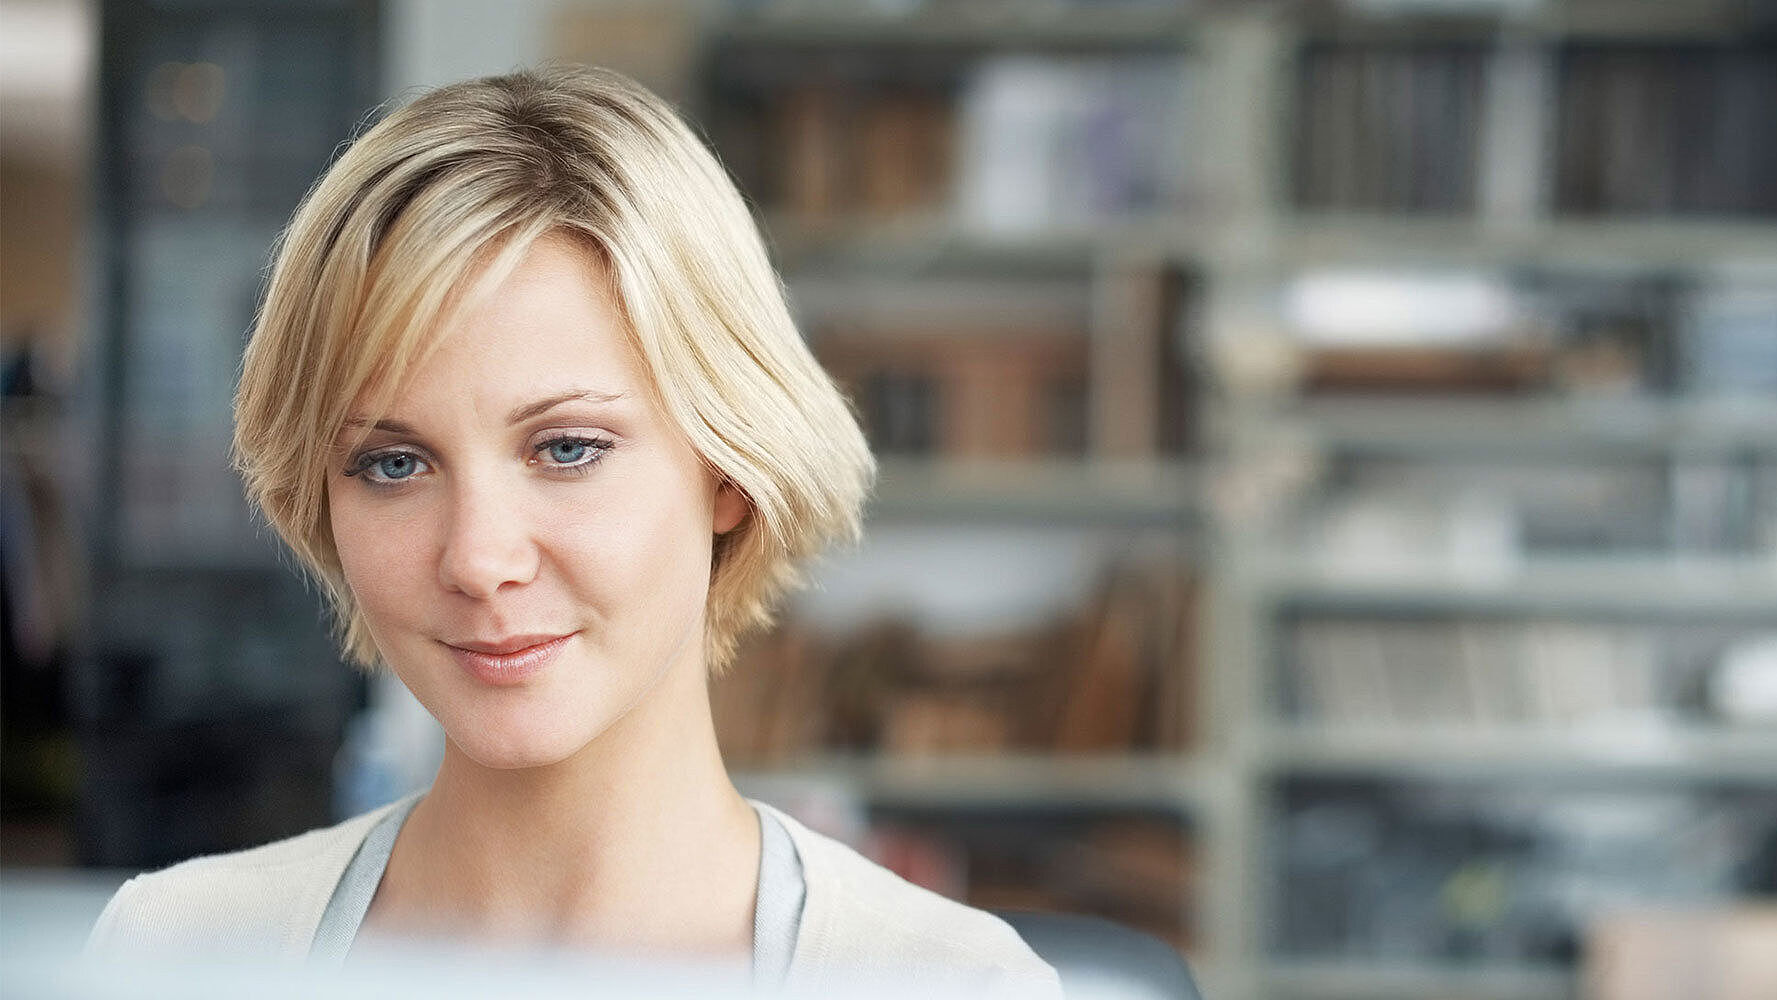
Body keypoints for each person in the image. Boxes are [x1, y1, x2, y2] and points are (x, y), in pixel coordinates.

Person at [83, 66, 1061, 997]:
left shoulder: (950, 985)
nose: (477, 558)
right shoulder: (174, 954)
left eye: (566, 449)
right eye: (393, 463)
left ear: (727, 470)